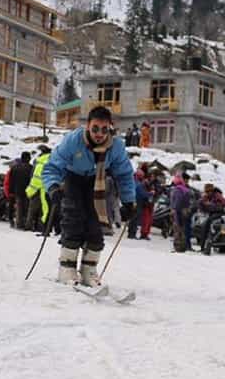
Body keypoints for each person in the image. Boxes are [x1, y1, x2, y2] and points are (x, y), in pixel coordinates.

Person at [42, 106, 136, 286]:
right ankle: (67, 268)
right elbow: (53, 166)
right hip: (73, 179)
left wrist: (129, 201)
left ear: (110, 128)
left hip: (97, 183)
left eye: (104, 129)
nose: (99, 134)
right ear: (87, 126)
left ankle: (88, 270)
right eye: (95, 129)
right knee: (73, 220)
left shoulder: (116, 147)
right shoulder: (73, 141)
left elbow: (124, 175)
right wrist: (53, 187)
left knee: (96, 224)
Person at [26, 145, 53, 232]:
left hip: (36, 188)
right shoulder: (52, 161)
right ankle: (41, 227)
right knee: (44, 209)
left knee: (32, 209)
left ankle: (29, 225)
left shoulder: (39, 161)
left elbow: (34, 175)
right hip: (48, 188)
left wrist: (31, 188)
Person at [198, 184, 225, 249]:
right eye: (207, 192)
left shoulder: (217, 196)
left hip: (220, 213)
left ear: (212, 191)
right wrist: (202, 203)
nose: (208, 193)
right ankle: (203, 244)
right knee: (204, 225)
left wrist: (211, 205)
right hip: (212, 213)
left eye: (209, 191)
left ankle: (203, 245)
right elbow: (202, 205)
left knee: (206, 224)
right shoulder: (207, 197)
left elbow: (222, 205)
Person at [10, 151, 33, 230]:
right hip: (28, 190)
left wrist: (11, 191)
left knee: (19, 208)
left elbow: (11, 180)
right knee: (27, 208)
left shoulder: (15, 167)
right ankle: (26, 223)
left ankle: (19, 223)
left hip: (17, 190)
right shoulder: (31, 168)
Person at [170, 174, 192, 252]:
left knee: (177, 230)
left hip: (178, 211)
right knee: (183, 229)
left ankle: (178, 247)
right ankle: (183, 246)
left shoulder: (178, 190)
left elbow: (177, 202)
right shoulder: (186, 189)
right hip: (185, 211)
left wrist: (174, 209)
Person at [128, 170, 152, 240]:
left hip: (132, 201)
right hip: (138, 202)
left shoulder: (132, 182)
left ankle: (131, 233)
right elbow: (142, 194)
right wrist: (150, 193)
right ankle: (132, 234)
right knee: (135, 218)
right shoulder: (138, 184)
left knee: (133, 218)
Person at [4, 161, 15, 227]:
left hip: (11, 192)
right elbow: (6, 183)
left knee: (11, 206)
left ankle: (11, 220)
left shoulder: (10, 172)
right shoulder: (10, 172)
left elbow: (6, 183)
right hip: (13, 192)